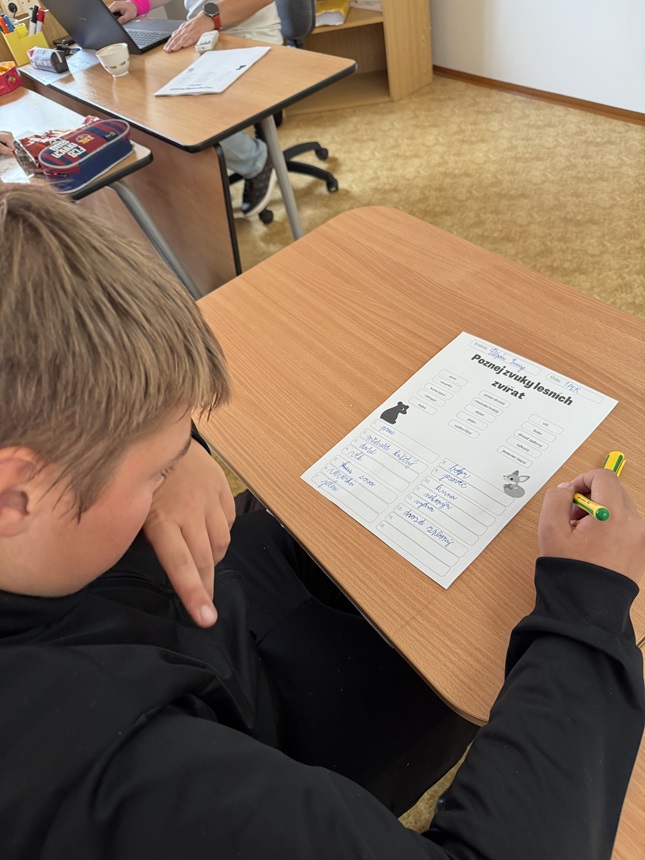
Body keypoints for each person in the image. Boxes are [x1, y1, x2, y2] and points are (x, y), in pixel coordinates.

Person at [0, 183, 643, 860]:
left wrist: (176, 456)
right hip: (249, 733)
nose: (177, 463)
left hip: (201, 634)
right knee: (478, 667)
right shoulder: (110, 778)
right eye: (154, 471)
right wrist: (587, 604)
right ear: (17, 494)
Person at [108, 0, 281, 218]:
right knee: (150, 98)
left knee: (180, 111)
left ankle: (255, 161)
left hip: (252, 40)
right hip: (202, 40)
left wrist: (210, 18)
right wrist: (137, 4)